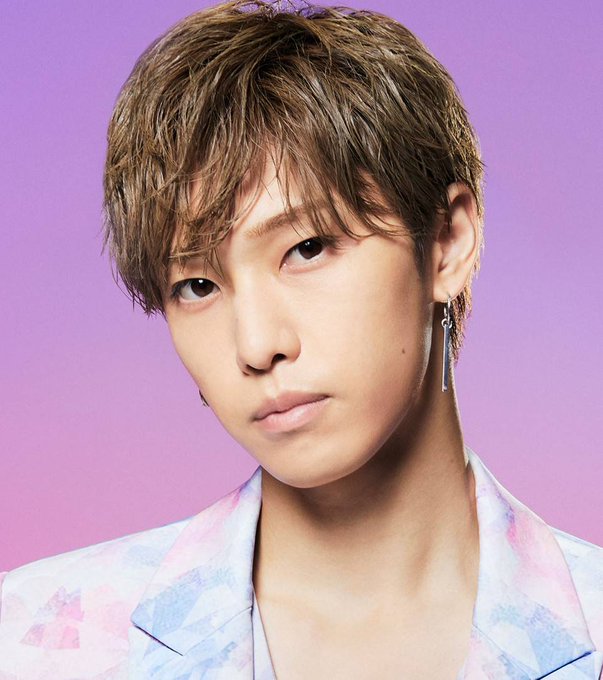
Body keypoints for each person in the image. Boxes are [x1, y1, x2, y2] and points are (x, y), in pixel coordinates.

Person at [1, 0, 602, 677]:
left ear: (447, 243)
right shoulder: (34, 642)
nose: (256, 345)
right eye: (196, 286)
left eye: (307, 248)